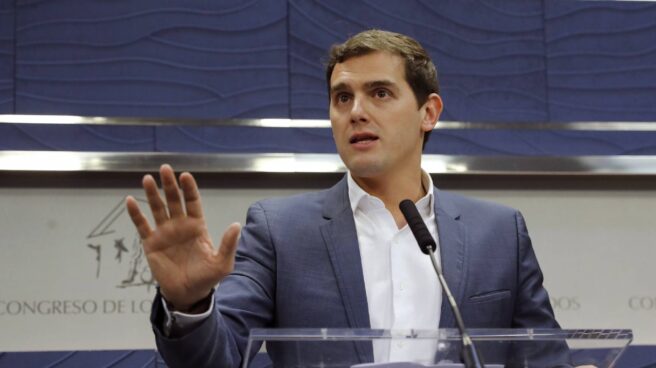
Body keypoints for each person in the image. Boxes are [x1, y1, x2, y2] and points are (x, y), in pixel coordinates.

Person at [126, 29, 563, 367]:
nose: (356, 111)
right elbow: (216, 359)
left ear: (428, 113)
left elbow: (546, 358)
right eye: (342, 97)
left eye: (380, 93)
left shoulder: (500, 232)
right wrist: (189, 305)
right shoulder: (280, 231)